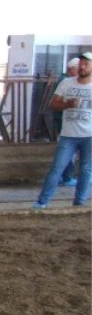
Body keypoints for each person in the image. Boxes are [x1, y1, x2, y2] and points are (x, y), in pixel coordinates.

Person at [34, 52, 92, 209]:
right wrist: (67, 104)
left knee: (86, 170)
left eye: (86, 64)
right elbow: (54, 104)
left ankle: (79, 202)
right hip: (68, 134)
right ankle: (42, 201)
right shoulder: (67, 83)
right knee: (57, 167)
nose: (82, 66)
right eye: (81, 63)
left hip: (89, 135)